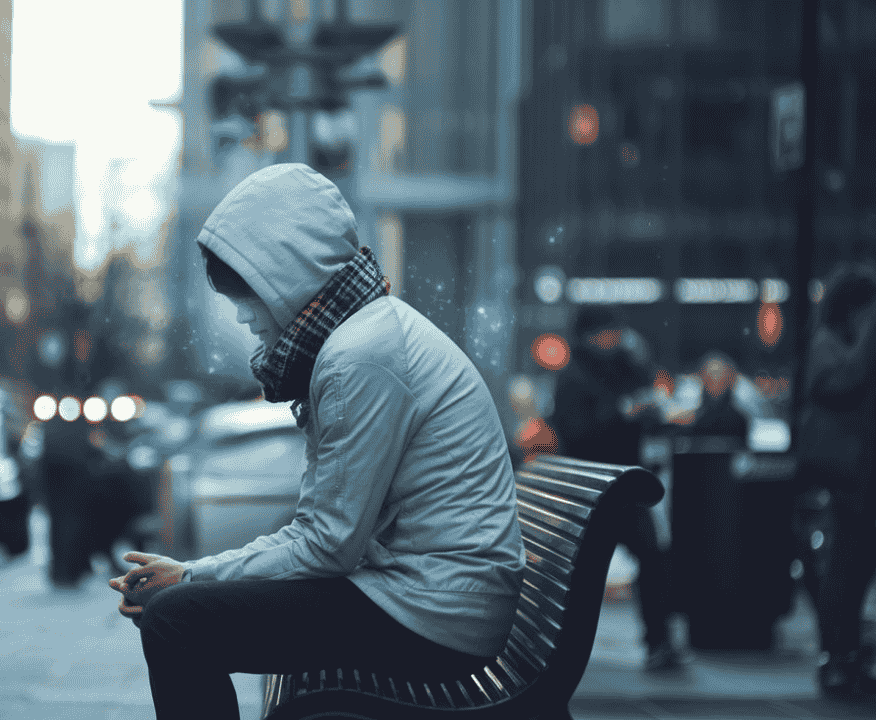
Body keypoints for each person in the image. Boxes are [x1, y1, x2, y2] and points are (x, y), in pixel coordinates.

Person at [107, 163, 525, 720]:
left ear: (288, 275)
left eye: (248, 291)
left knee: (176, 621)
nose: (242, 315)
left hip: (434, 614)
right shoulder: (365, 335)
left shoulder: (360, 357)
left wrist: (190, 577)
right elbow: (326, 536)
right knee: (184, 611)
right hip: (432, 598)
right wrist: (193, 575)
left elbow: (328, 546)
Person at [548, 305, 683, 672]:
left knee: (654, 557)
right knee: (579, 573)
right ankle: (553, 646)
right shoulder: (574, 376)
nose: (614, 339)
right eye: (607, 332)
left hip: (625, 488)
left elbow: (647, 396)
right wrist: (622, 412)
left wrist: (641, 365)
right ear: (589, 336)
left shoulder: (625, 366)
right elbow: (575, 432)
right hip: (590, 493)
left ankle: (660, 642)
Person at [799, 261, 876, 700]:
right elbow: (842, 385)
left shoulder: (843, 341)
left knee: (854, 567)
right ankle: (837, 657)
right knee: (846, 567)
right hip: (848, 474)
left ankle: (847, 656)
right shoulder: (831, 344)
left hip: (858, 472)